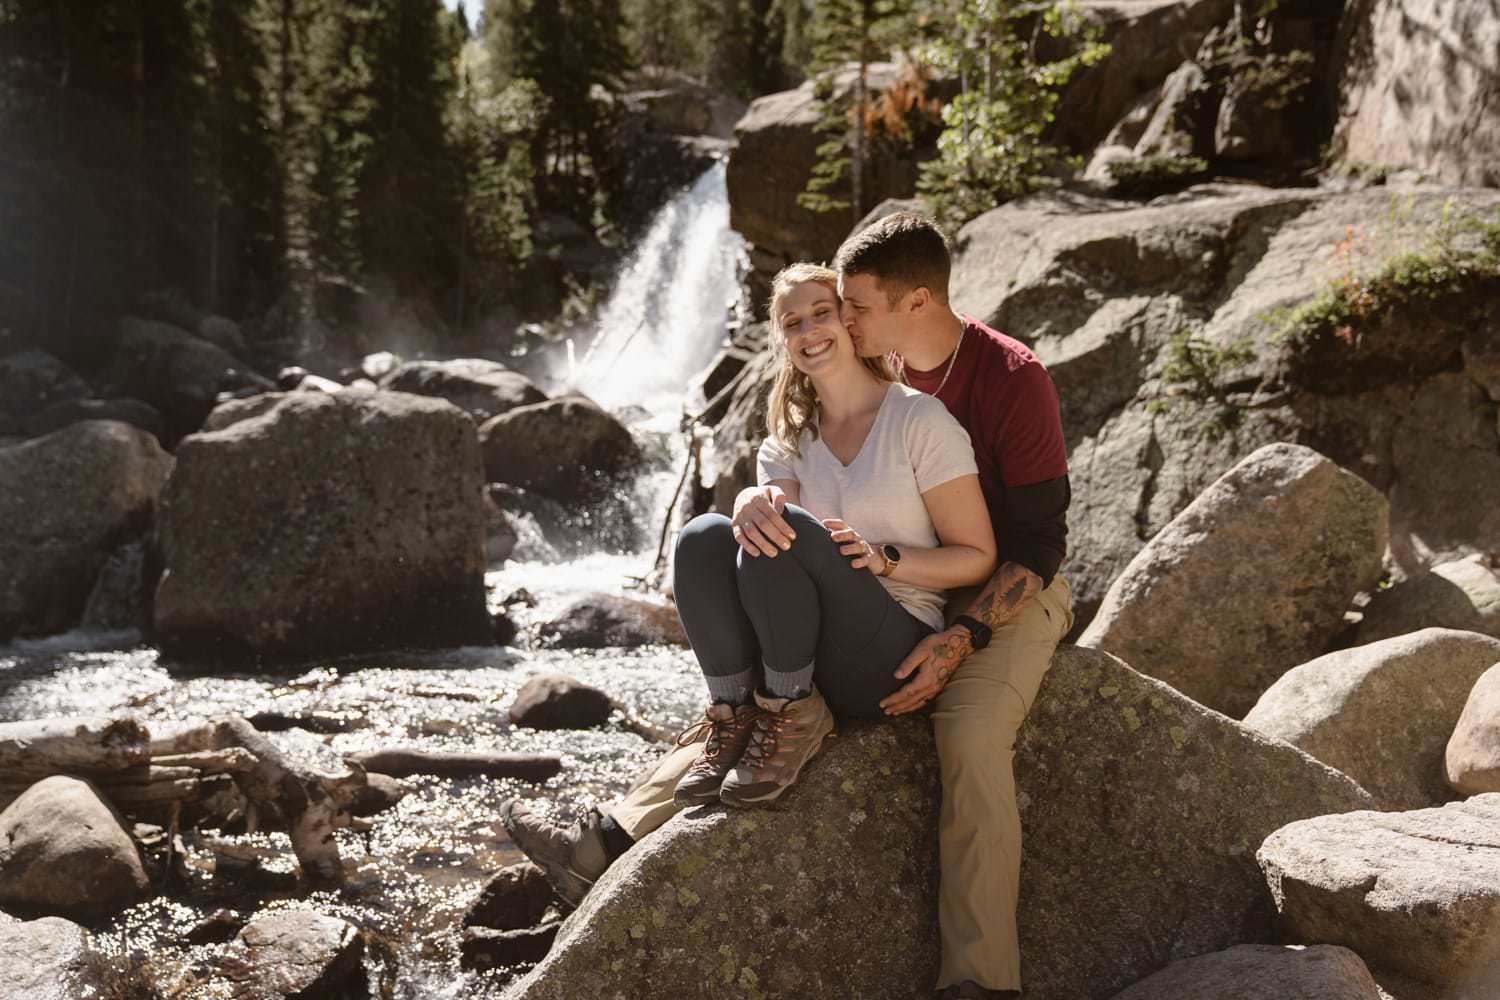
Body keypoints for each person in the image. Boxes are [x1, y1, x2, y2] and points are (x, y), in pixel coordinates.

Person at [504, 214, 1073, 1000]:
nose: (837, 319)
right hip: (871, 593)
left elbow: (1039, 547)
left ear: (912, 302)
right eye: (818, 310)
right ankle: (606, 839)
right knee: (764, 684)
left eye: (852, 305)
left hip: (1006, 586)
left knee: (969, 732)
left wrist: (962, 636)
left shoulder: (1006, 378)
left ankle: (979, 980)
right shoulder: (848, 390)